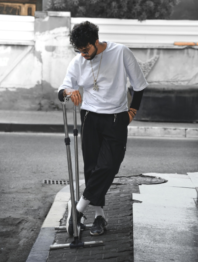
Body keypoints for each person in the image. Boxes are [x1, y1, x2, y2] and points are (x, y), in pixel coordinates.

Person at [58, 21, 148, 236]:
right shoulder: (79, 60)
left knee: (108, 166)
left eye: (86, 49)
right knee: (92, 169)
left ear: (96, 41)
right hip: (89, 117)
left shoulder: (120, 52)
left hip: (116, 118)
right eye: (79, 51)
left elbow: (140, 85)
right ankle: (99, 216)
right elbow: (61, 90)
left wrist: (132, 112)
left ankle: (78, 210)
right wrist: (70, 93)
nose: (83, 54)